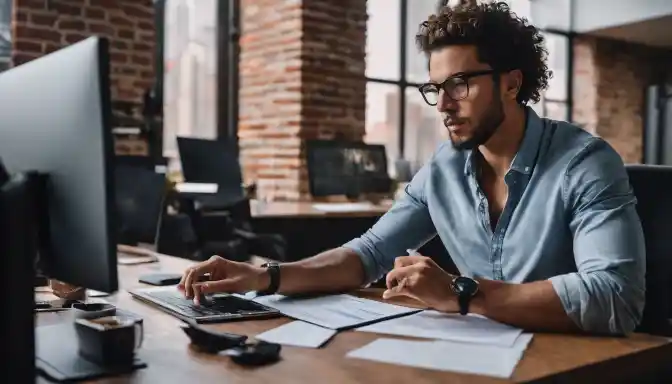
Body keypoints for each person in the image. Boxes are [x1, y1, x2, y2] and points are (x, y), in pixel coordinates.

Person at [178, 1, 645, 335]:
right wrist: (265, 276)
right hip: (477, 359)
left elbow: (615, 298)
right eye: (435, 88)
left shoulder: (585, 163)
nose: (442, 104)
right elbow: (367, 254)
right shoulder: (442, 169)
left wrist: (464, 294)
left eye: (459, 85)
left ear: (511, 82)